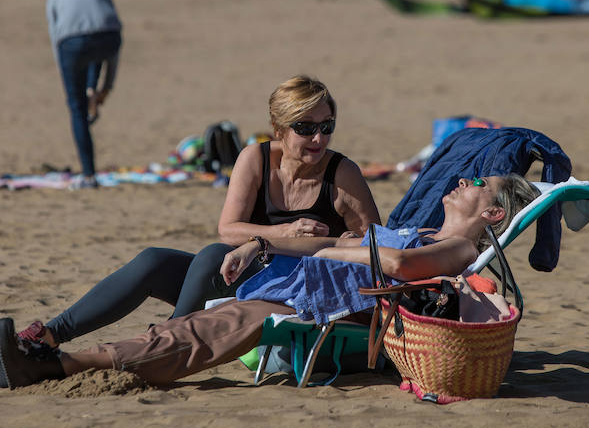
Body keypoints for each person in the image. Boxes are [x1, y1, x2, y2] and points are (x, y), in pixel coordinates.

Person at [0, 174, 540, 389]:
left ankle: (51, 366)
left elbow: (397, 269)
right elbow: (339, 247)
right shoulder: (416, 230)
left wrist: (345, 246)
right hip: (290, 281)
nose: (462, 180)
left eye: (478, 184)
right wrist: (266, 243)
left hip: (313, 308)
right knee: (164, 265)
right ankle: (46, 341)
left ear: (494, 214)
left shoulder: (464, 248)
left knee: (193, 335)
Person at [16, 75, 380, 350]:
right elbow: (228, 228)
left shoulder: (341, 174)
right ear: (279, 129)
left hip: (294, 294)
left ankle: (158, 345)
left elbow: (380, 249)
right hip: (244, 278)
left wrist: (332, 242)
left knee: (210, 257)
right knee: (154, 261)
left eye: (326, 127)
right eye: (306, 128)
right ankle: (50, 335)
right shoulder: (255, 158)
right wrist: (282, 234)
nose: (319, 139)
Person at [47, 0, 122, 189]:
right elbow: (113, 31)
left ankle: (89, 175)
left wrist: (67, 78)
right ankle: (93, 88)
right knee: (98, 49)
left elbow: (55, 40)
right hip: (109, 38)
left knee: (77, 108)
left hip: (72, 44)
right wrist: (107, 86)